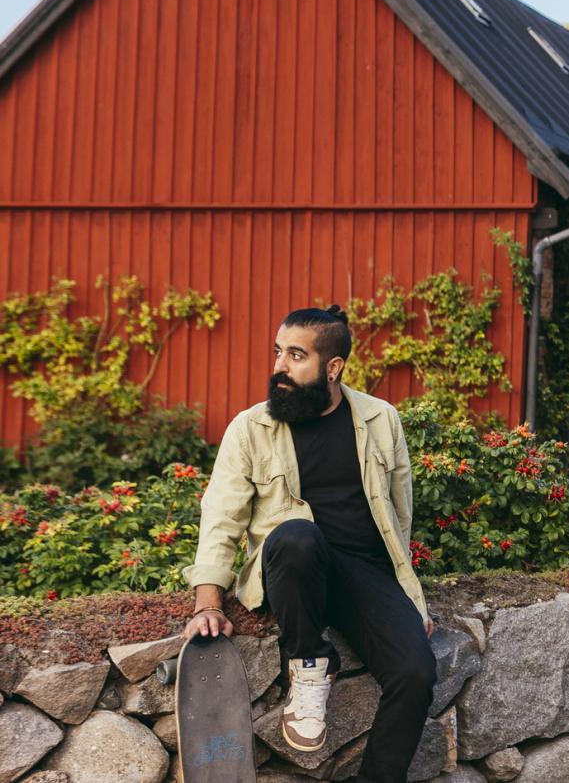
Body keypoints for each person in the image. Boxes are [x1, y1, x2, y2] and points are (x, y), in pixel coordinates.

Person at [183, 307, 435, 780]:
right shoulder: (251, 428)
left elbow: (399, 515)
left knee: (416, 674)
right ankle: (310, 663)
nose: (279, 366)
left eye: (296, 355)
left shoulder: (382, 420)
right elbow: (222, 517)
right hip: (296, 571)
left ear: (333, 367)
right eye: (278, 352)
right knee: (298, 536)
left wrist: (408, 600)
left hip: (366, 574)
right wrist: (207, 600)